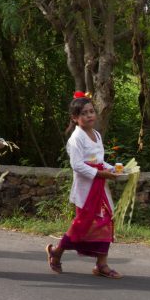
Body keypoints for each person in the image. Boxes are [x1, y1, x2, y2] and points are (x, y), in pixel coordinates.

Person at [46, 92, 122, 278]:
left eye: (91, 111)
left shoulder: (96, 134)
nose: (89, 115)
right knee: (82, 225)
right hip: (86, 189)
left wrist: (114, 170)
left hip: (100, 187)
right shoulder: (76, 139)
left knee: (106, 221)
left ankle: (101, 265)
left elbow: (100, 161)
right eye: (84, 113)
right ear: (75, 118)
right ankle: (57, 252)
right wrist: (99, 173)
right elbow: (77, 165)